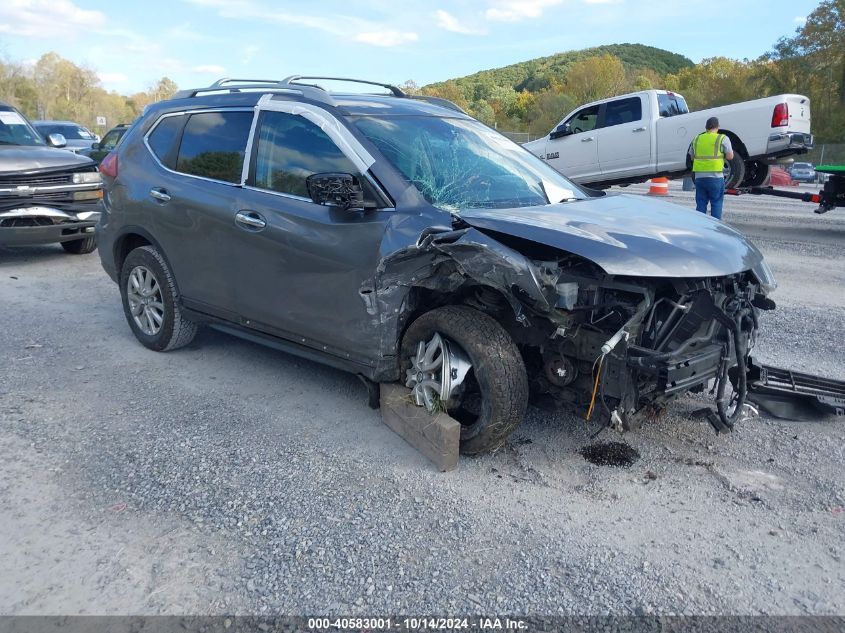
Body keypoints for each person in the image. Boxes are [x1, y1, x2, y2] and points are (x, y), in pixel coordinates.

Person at [688, 117, 733, 220]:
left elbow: (692, 157)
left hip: (699, 177)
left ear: (706, 127)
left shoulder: (697, 138)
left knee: (701, 203)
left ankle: (700, 226)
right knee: (716, 203)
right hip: (715, 177)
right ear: (718, 127)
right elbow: (730, 156)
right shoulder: (722, 138)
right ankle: (714, 229)